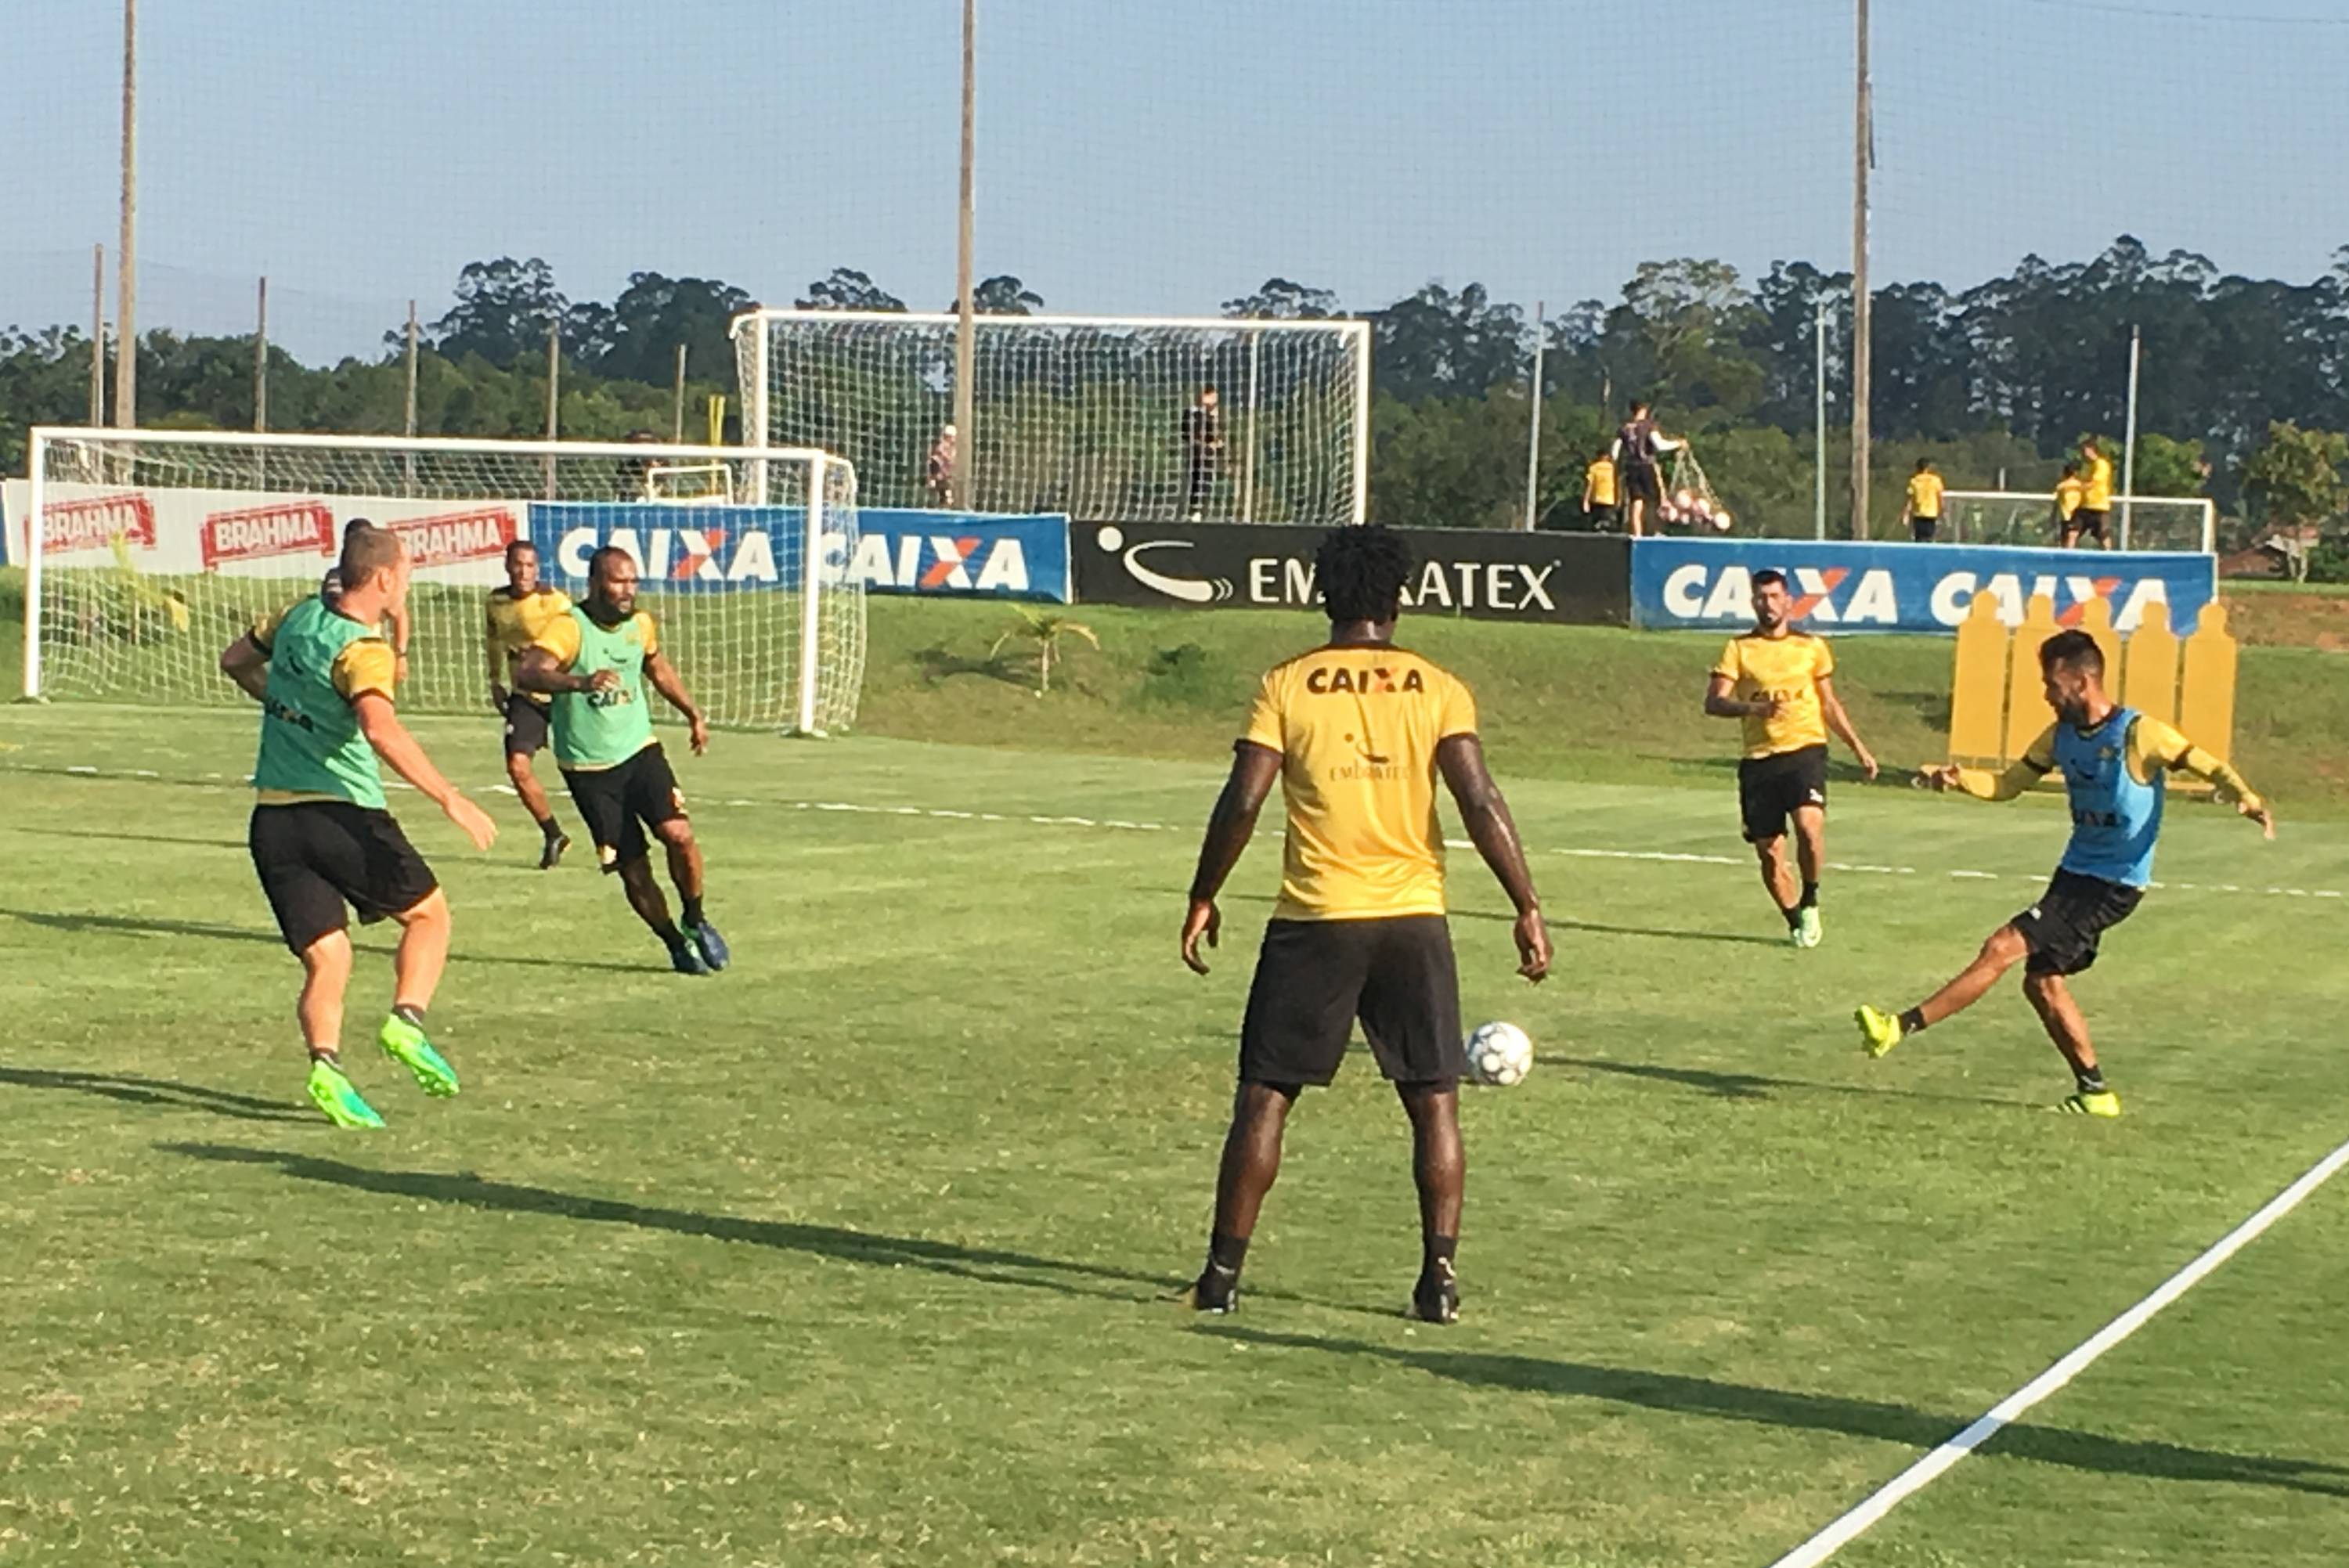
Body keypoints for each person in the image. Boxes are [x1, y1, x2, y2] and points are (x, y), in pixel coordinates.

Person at [1177, 524, 1552, 1325]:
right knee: (1435, 1102)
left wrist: (1203, 891)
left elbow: (1243, 797)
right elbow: (1480, 799)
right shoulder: (1437, 685)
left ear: (1325, 594)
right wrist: (1525, 902)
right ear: (1398, 597)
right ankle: (1438, 1279)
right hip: (1414, 915)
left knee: (1266, 1098)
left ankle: (1220, 1276)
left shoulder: (1287, 684)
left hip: (1317, 915)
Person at [1857, 630, 2273, 1116]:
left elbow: (2210, 765)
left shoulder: (2139, 733)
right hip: (2073, 874)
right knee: (2042, 982)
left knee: (2001, 947)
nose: (2046, 694)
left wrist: (2246, 796)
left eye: (2052, 684)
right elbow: (2008, 785)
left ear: (2081, 680)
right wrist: (1959, 778)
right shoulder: (2061, 736)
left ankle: (1898, 1027)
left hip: (2114, 883)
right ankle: (2095, 1092)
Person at [219, 524, 498, 1129]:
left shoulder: (295, 616)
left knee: (330, 957)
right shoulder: (361, 648)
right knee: (430, 916)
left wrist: (284, 704)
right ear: (384, 578)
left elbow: (235, 660)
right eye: (408, 573)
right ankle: (407, 1019)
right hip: (339, 812)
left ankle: (326, 1067)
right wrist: (450, 797)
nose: (410, 583)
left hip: (273, 821)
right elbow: (379, 727)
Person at [514, 546, 727, 976]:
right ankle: (673, 942)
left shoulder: (640, 625)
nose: (628, 590)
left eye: (633, 581)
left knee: (679, 835)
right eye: (618, 581)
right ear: (596, 583)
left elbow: (656, 667)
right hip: (589, 770)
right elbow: (530, 673)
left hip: (639, 751)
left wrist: (692, 713)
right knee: (633, 867)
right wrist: (579, 681)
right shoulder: (569, 628)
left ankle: (696, 917)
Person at [1704, 569, 1878, 947]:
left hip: (1805, 750)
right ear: (1753, 602)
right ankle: (1794, 917)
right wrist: (1753, 710)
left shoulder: (1811, 646)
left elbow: (1829, 704)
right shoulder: (1739, 648)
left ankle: (1812, 899)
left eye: (1774, 596)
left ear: (1788, 601)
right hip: (1759, 760)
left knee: (1809, 829)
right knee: (1769, 854)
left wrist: (1858, 748)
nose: (1767, 604)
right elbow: (1714, 702)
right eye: (1760, 597)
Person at [482, 539, 576, 869]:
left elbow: (575, 641)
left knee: (587, 772)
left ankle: (615, 839)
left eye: (530, 565)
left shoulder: (555, 602)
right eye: (518, 564)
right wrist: (495, 680)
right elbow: (493, 641)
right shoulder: (496, 602)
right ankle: (553, 833)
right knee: (517, 766)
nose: (523, 571)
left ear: (538, 569)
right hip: (525, 697)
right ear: (508, 566)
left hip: (563, 696)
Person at [320, 518, 411, 685]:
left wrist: (401, 655)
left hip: (365, 653)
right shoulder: (335, 577)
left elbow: (400, 614)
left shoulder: (381, 583)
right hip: (336, 650)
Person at [1610, 400, 1684, 538]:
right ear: (1643, 410)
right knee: (1656, 499)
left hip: (1631, 468)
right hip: (1646, 466)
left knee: (1636, 501)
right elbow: (1659, 445)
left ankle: (1637, 535)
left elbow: (1614, 452)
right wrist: (1678, 443)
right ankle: (1656, 531)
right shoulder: (1648, 426)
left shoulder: (1624, 429)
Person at [1182, 386, 1222, 521]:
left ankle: (1200, 510)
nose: (1214, 401)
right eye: (1213, 397)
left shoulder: (1211, 415)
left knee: (1205, 481)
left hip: (1207, 454)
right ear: (1205, 396)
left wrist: (1216, 443)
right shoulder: (1192, 413)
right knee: (1195, 480)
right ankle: (1192, 509)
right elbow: (1187, 433)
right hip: (1196, 452)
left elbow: (1214, 435)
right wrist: (1203, 444)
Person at [2070, 437, 2114, 549]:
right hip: (2085, 506)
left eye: (2084, 451)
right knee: (2072, 532)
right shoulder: (2089, 466)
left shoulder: (2101, 464)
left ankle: (2109, 558)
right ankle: (2068, 557)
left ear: (2091, 449)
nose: (2083, 454)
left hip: (2099, 506)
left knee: (2103, 535)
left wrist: (2077, 487)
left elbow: (2094, 483)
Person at [1902, 458, 1945, 542]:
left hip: (1919, 513)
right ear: (1928, 468)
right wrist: (1942, 512)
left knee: (1919, 539)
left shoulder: (1914, 481)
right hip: (1931, 513)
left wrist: (1906, 514)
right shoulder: (1936, 481)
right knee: (1929, 538)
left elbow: (1910, 500)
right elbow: (1940, 498)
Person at [1580, 447, 1619, 532]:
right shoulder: (1612, 468)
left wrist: (1585, 501)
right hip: (1607, 500)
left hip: (1599, 500)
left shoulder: (1594, 467)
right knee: (1605, 524)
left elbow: (1589, 485)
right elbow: (1617, 485)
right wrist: (1618, 499)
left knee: (1598, 525)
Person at [2053, 462, 2087, 546]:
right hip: (2076, 514)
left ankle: (2064, 555)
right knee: (2072, 536)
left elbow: (2057, 501)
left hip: (2065, 515)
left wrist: (2053, 515)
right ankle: (2070, 555)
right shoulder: (2080, 485)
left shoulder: (2060, 486)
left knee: (2065, 538)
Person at [926, 424, 958, 509]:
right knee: (945, 498)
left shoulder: (952, 449)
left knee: (946, 499)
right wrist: (933, 477)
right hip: (941, 478)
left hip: (946, 477)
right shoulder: (941, 448)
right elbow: (934, 461)